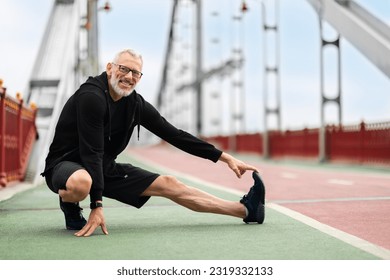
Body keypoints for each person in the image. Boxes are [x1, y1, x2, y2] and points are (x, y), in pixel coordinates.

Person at [41, 49, 265, 237]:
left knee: (170, 183)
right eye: (124, 69)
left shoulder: (135, 104)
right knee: (82, 182)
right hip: (65, 165)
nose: (129, 76)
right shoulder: (92, 97)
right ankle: (69, 204)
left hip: (102, 167)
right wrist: (96, 206)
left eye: (135, 73)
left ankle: (246, 210)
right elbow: (91, 153)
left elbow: (175, 135)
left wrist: (224, 157)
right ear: (110, 68)